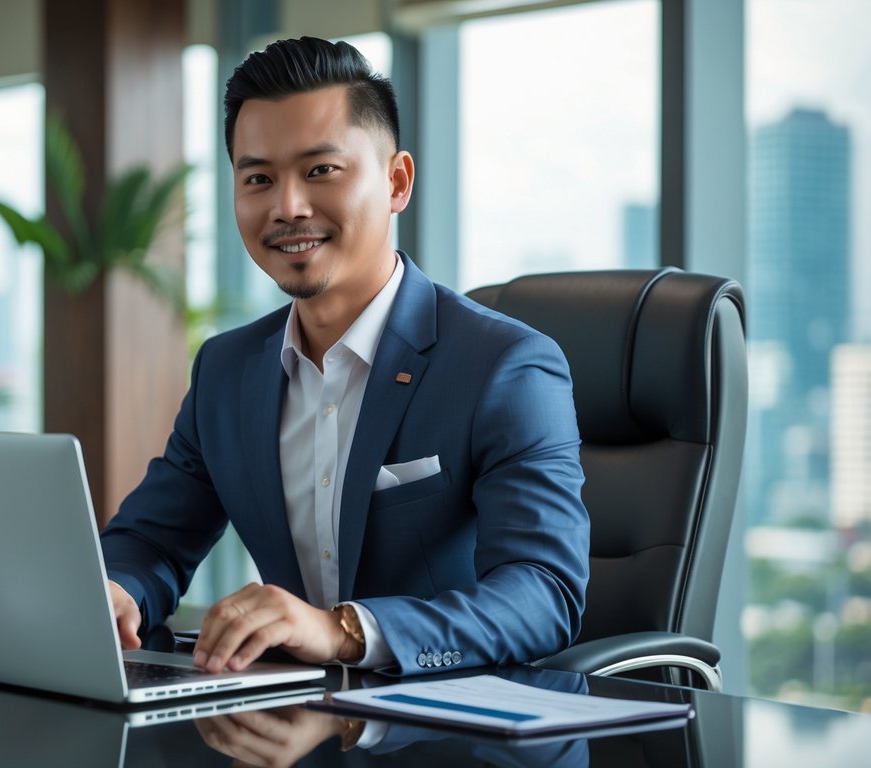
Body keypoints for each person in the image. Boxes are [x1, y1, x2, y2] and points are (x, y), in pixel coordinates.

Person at [101, 36, 589, 677]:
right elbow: (152, 539)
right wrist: (117, 591)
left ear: (396, 181)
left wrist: (345, 631)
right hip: (298, 724)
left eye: (320, 171)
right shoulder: (227, 370)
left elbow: (542, 593)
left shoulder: (507, 366)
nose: (288, 207)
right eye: (258, 179)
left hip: (453, 729)